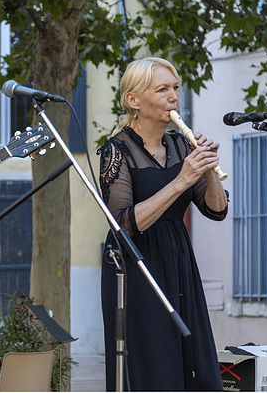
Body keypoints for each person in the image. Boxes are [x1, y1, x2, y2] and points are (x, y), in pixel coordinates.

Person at [97, 57, 228, 391]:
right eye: (163, 89)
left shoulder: (182, 145)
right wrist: (182, 180)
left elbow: (217, 210)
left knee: (191, 360)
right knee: (152, 360)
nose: (174, 97)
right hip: (135, 265)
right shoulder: (116, 150)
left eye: (175, 88)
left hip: (177, 257)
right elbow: (124, 223)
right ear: (133, 100)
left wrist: (210, 170)